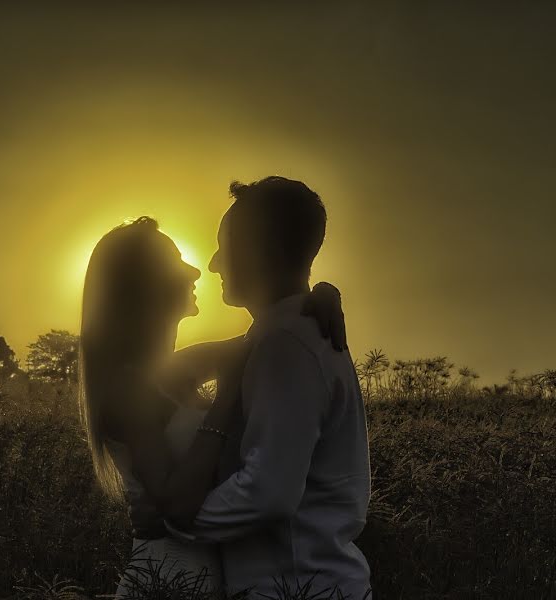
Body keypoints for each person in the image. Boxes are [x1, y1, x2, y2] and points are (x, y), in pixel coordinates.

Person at [76, 214, 347, 598]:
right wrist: (225, 399)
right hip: (167, 579)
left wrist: (321, 294)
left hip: (201, 575)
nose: (194, 271)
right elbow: (177, 503)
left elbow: (265, 336)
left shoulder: (174, 368)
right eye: (175, 261)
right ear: (143, 285)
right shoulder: (127, 388)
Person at [165, 177, 373, 600]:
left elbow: (270, 492)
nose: (214, 264)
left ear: (261, 250)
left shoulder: (286, 344)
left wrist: (179, 521)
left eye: (225, 245)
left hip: (296, 587)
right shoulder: (282, 335)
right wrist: (325, 291)